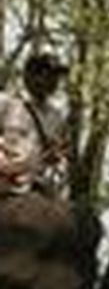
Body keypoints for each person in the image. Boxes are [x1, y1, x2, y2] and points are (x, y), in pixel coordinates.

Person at [0, 52, 69, 197]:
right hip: (5, 184)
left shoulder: (57, 117)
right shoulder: (6, 104)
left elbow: (61, 157)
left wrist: (56, 164)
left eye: (56, 77)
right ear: (29, 76)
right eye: (47, 74)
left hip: (39, 188)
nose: (53, 81)